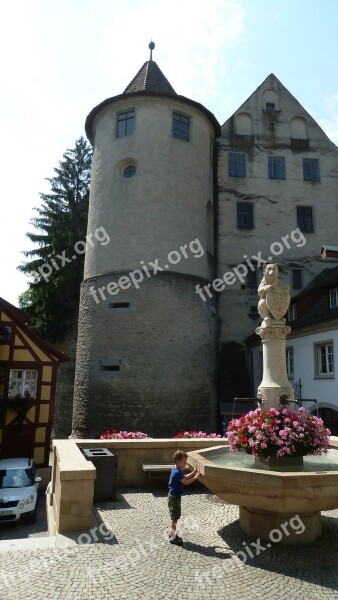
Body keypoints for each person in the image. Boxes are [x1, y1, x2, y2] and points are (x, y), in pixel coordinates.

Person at [167, 450, 200, 546]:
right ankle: (172, 537)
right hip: (174, 498)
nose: (185, 464)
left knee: (175, 517)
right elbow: (186, 482)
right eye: (184, 462)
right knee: (175, 518)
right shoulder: (176, 472)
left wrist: (193, 472)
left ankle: (172, 534)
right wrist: (196, 476)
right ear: (178, 461)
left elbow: (184, 477)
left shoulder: (177, 469)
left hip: (175, 496)